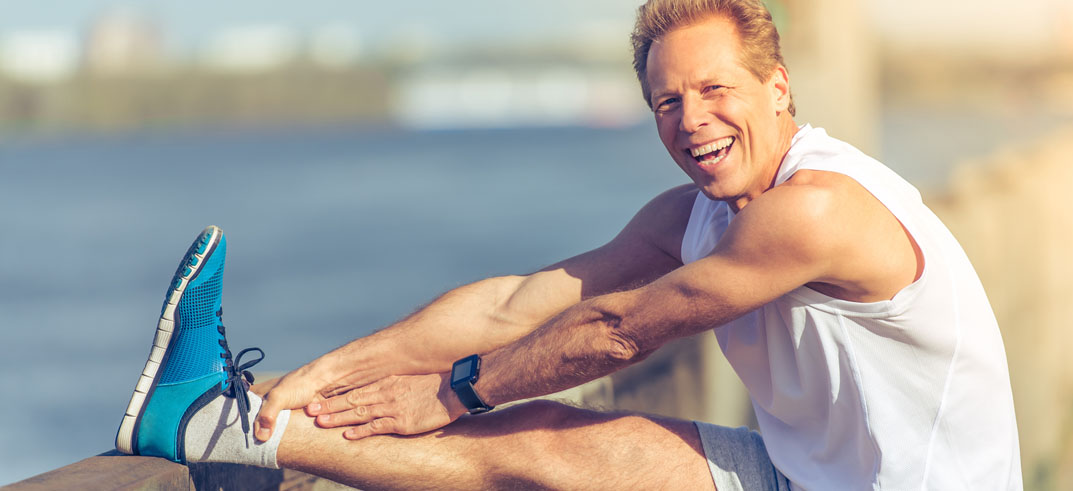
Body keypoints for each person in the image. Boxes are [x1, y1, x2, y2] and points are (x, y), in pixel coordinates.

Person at [114, 0, 1022, 489]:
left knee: (509, 437)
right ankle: (226, 423)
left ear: (778, 86)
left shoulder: (816, 208)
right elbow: (519, 302)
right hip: (801, 473)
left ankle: (216, 426)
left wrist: (453, 390)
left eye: (715, 90)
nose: (692, 119)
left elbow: (620, 329)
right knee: (538, 446)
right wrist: (327, 372)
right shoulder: (691, 214)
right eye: (668, 102)